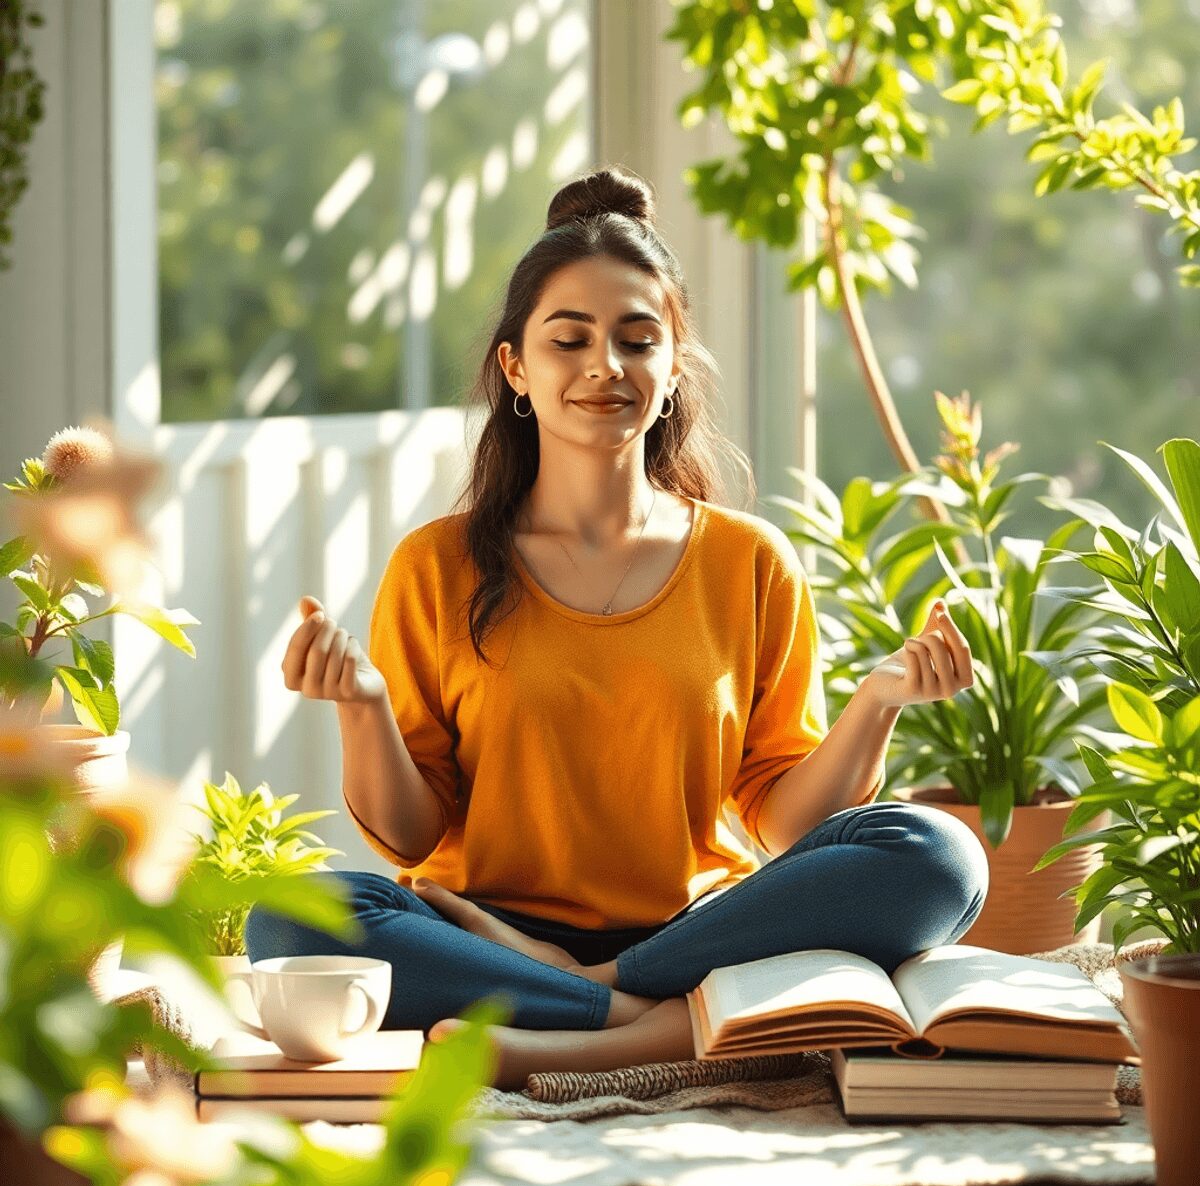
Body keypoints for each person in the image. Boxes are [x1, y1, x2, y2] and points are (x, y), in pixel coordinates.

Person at [245, 165, 988, 1091]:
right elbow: (408, 836)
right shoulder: (436, 566)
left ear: (673, 364)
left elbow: (786, 822)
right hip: (481, 924)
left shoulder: (749, 562)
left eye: (638, 340)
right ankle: (664, 1027)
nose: (606, 366)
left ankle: (592, 998)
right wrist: (361, 706)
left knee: (938, 855)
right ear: (517, 366)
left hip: (696, 931)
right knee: (293, 916)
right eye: (572, 340)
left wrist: (878, 703)